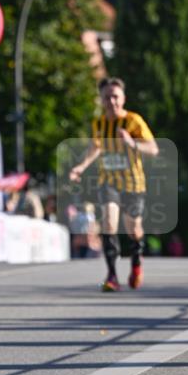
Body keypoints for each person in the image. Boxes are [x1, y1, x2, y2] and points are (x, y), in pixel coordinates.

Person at [69, 77, 158, 291]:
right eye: (107, 97)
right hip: (108, 182)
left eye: (115, 97)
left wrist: (131, 143)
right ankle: (112, 276)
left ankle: (136, 263)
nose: (111, 101)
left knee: (134, 230)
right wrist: (81, 166)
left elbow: (153, 149)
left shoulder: (134, 121)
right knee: (109, 222)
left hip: (133, 183)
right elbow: (96, 147)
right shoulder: (99, 123)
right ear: (101, 99)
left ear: (123, 98)